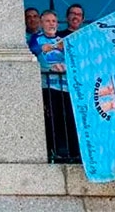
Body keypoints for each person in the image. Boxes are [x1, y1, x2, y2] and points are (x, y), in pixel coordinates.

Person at [29, 9, 79, 161]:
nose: (51, 24)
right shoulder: (36, 39)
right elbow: (29, 52)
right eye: (47, 21)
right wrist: (40, 50)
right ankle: (56, 151)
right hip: (48, 86)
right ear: (42, 23)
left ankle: (74, 152)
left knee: (70, 119)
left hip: (66, 87)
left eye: (54, 21)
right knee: (53, 119)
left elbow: (76, 59)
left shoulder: (63, 40)